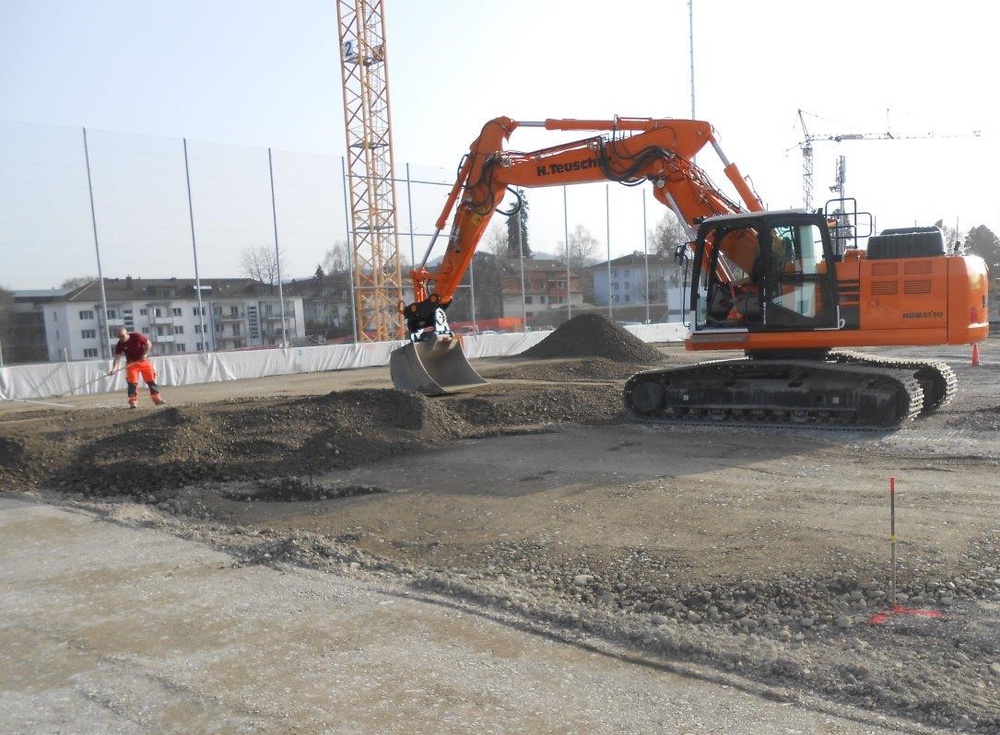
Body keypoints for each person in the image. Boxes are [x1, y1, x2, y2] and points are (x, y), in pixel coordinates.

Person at [108, 326, 165, 408]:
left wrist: (144, 354)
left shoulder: (137, 336)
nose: (121, 338)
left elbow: (148, 344)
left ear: (127, 333)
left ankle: (156, 398)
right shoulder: (119, 345)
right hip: (131, 364)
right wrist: (114, 369)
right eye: (119, 337)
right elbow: (117, 358)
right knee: (132, 383)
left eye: (122, 336)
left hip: (144, 362)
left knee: (151, 381)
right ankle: (133, 401)